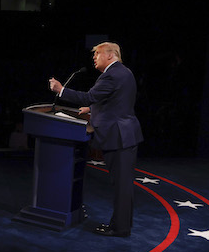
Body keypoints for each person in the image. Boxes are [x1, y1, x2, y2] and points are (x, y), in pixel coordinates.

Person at [48, 41, 143, 237]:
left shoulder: (111, 75)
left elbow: (88, 96)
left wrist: (61, 90)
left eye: (97, 54)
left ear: (109, 55)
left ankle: (120, 228)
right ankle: (121, 225)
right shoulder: (123, 72)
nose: (94, 58)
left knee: (122, 186)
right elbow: (117, 100)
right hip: (125, 134)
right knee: (122, 185)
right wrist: (92, 109)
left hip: (119, 137)